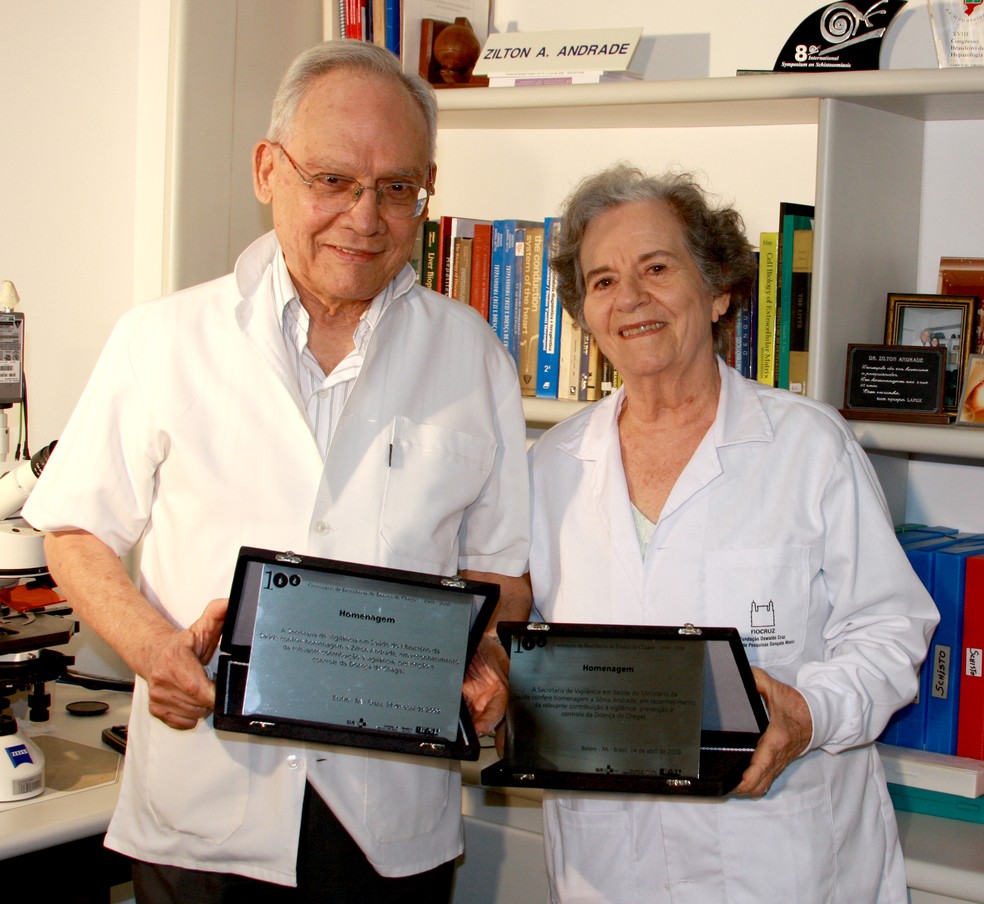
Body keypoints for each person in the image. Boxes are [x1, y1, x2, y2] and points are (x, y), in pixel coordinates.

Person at [24, 40, 530, 903]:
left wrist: (485, 656)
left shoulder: (473, 354)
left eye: (398, 188)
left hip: (390, 822)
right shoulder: (163, 339)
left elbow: (501, 576)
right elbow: (74, 530)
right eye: (333, 179)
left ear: (426, 193)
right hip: (207, 812)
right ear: (268, 169)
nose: (365, 218)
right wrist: (154, 653)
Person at [526, 163, 939, 903]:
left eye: (657, 268)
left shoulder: (810, 447)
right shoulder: (548, 466)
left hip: (786, 862)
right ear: (584, 313)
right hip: (610, 868)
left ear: (718, 290)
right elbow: (527, 644)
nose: (632, 299)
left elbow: (889, 630)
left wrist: (808, 714)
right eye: (603, 281)